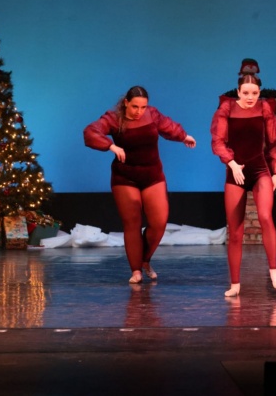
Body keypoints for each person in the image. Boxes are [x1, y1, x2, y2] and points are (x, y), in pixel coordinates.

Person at [84, 86, 196, 284]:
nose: (139, 111)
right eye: (135, 106)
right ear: (126, 102)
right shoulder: (113, 118)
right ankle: (136, 270)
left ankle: (145, 260)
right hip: (125, 177)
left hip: (152, 175)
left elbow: (168, 126)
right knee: (132, 222)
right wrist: (111, 145)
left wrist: (183, 136)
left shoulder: (152, 114)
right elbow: (91, 132)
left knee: (159, 222)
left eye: (143, 107)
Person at [211, 73, 276, 297]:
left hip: (259, 170)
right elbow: (218, 141)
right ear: (238, 92)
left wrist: (275, 172)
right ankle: (235, 284)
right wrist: (231, 163)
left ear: (259, 92)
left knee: (265, 217)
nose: (250, 97)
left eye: (254, 93)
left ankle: (274, 272)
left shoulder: (264, 108)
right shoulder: (227, 109)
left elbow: (274, 142)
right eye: (246, 93)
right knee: (235, 231)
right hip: (236, 172)